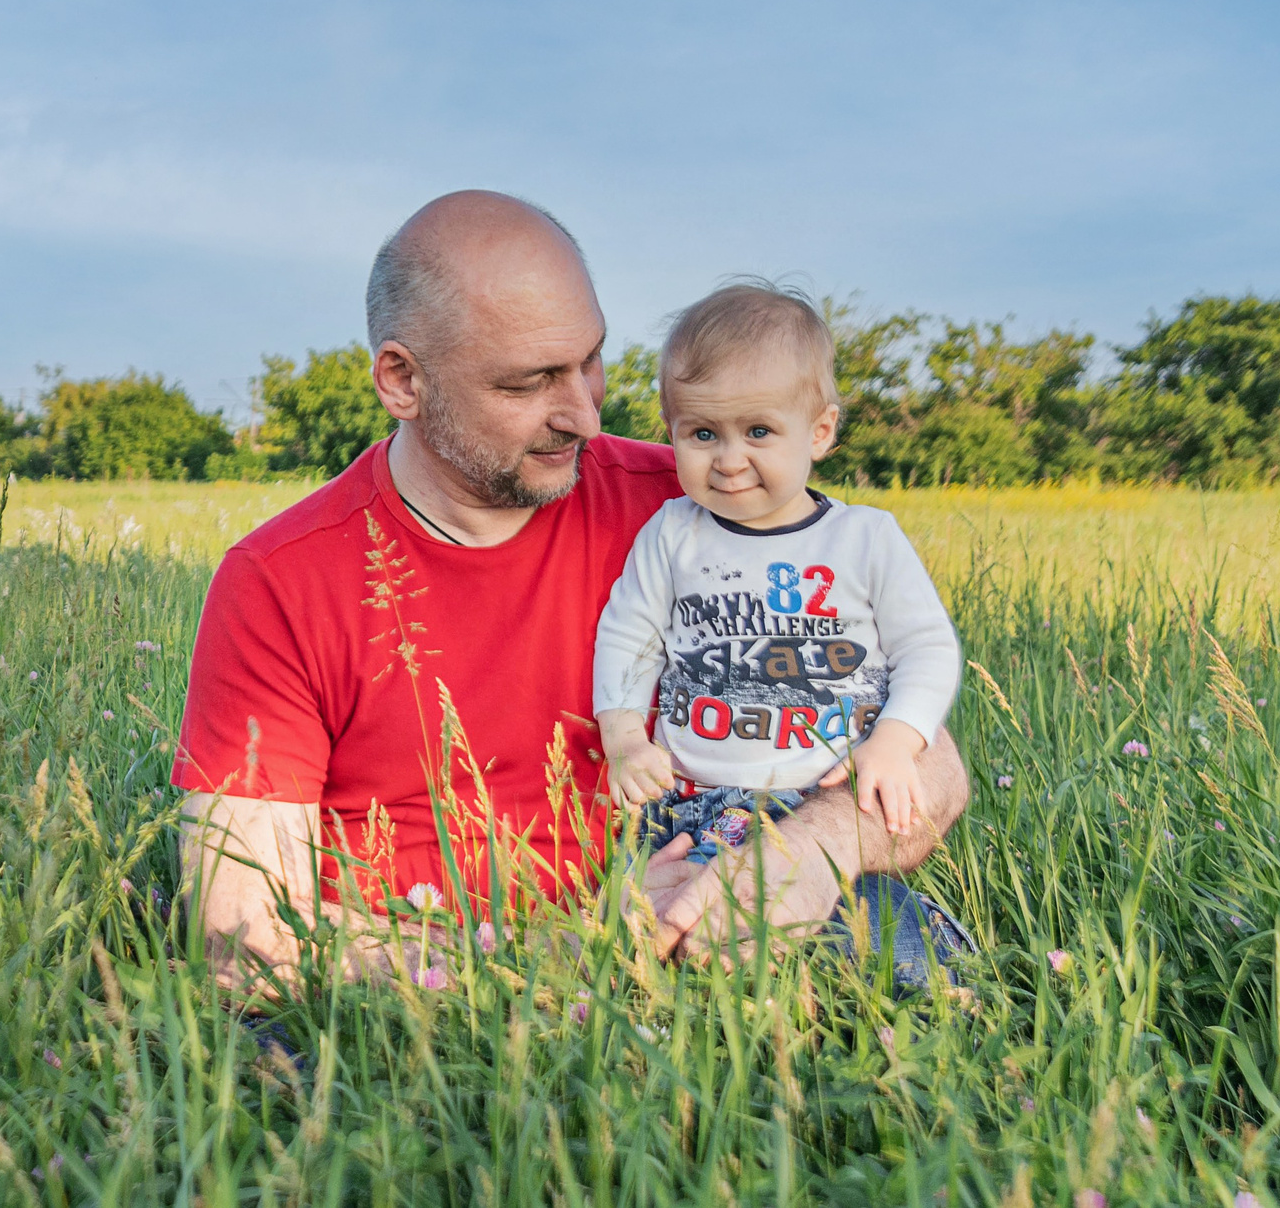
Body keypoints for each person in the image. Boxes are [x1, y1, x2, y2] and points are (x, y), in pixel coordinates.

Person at [172, 191, 970, 995]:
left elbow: (931, 765)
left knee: (900, 953)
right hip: (439, 1003)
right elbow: (241, 937)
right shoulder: (281, 580)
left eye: (590, 360)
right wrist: (578, 948)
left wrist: (812, 852)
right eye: (531, 384)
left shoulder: (695, 508)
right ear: (403, 380)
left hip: (717, 936)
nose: (586, 416)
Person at [594, 283, 963, 871]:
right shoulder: (672, 532)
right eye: (703, 434)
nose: (728, 459)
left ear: (819, 431)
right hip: (690, 800)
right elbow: (628, 638)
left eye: (758, 432)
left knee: (838, 911)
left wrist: (896, 742)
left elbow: (927, 648)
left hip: (824, 797)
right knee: (689, 904)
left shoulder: (864, 538)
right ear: (671, 429)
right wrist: (624, 741)